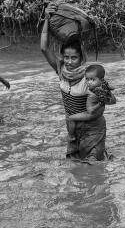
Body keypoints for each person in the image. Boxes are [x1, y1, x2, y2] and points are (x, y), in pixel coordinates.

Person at [41, 30, 109, 161]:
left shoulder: (90, 78)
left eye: (74, 58)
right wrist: (46, 19)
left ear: (81, 58)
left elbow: (99, 110)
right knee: (75, 167)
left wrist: (74, 117)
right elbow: (44, 48)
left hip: (93, 129)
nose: (69, 62)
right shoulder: (62, 71)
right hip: (73, 131)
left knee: (93, 166)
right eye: (66, 57)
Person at [65, 64, 116, 160]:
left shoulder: (98, 90)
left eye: (92, 80)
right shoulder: (95, 88)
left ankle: (71, 136)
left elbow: (112, 101)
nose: (89, 82)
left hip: (90, 115)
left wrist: (101, 102)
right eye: (87, 79)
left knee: (70, 118)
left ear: (101, 80)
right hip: (90, 118)